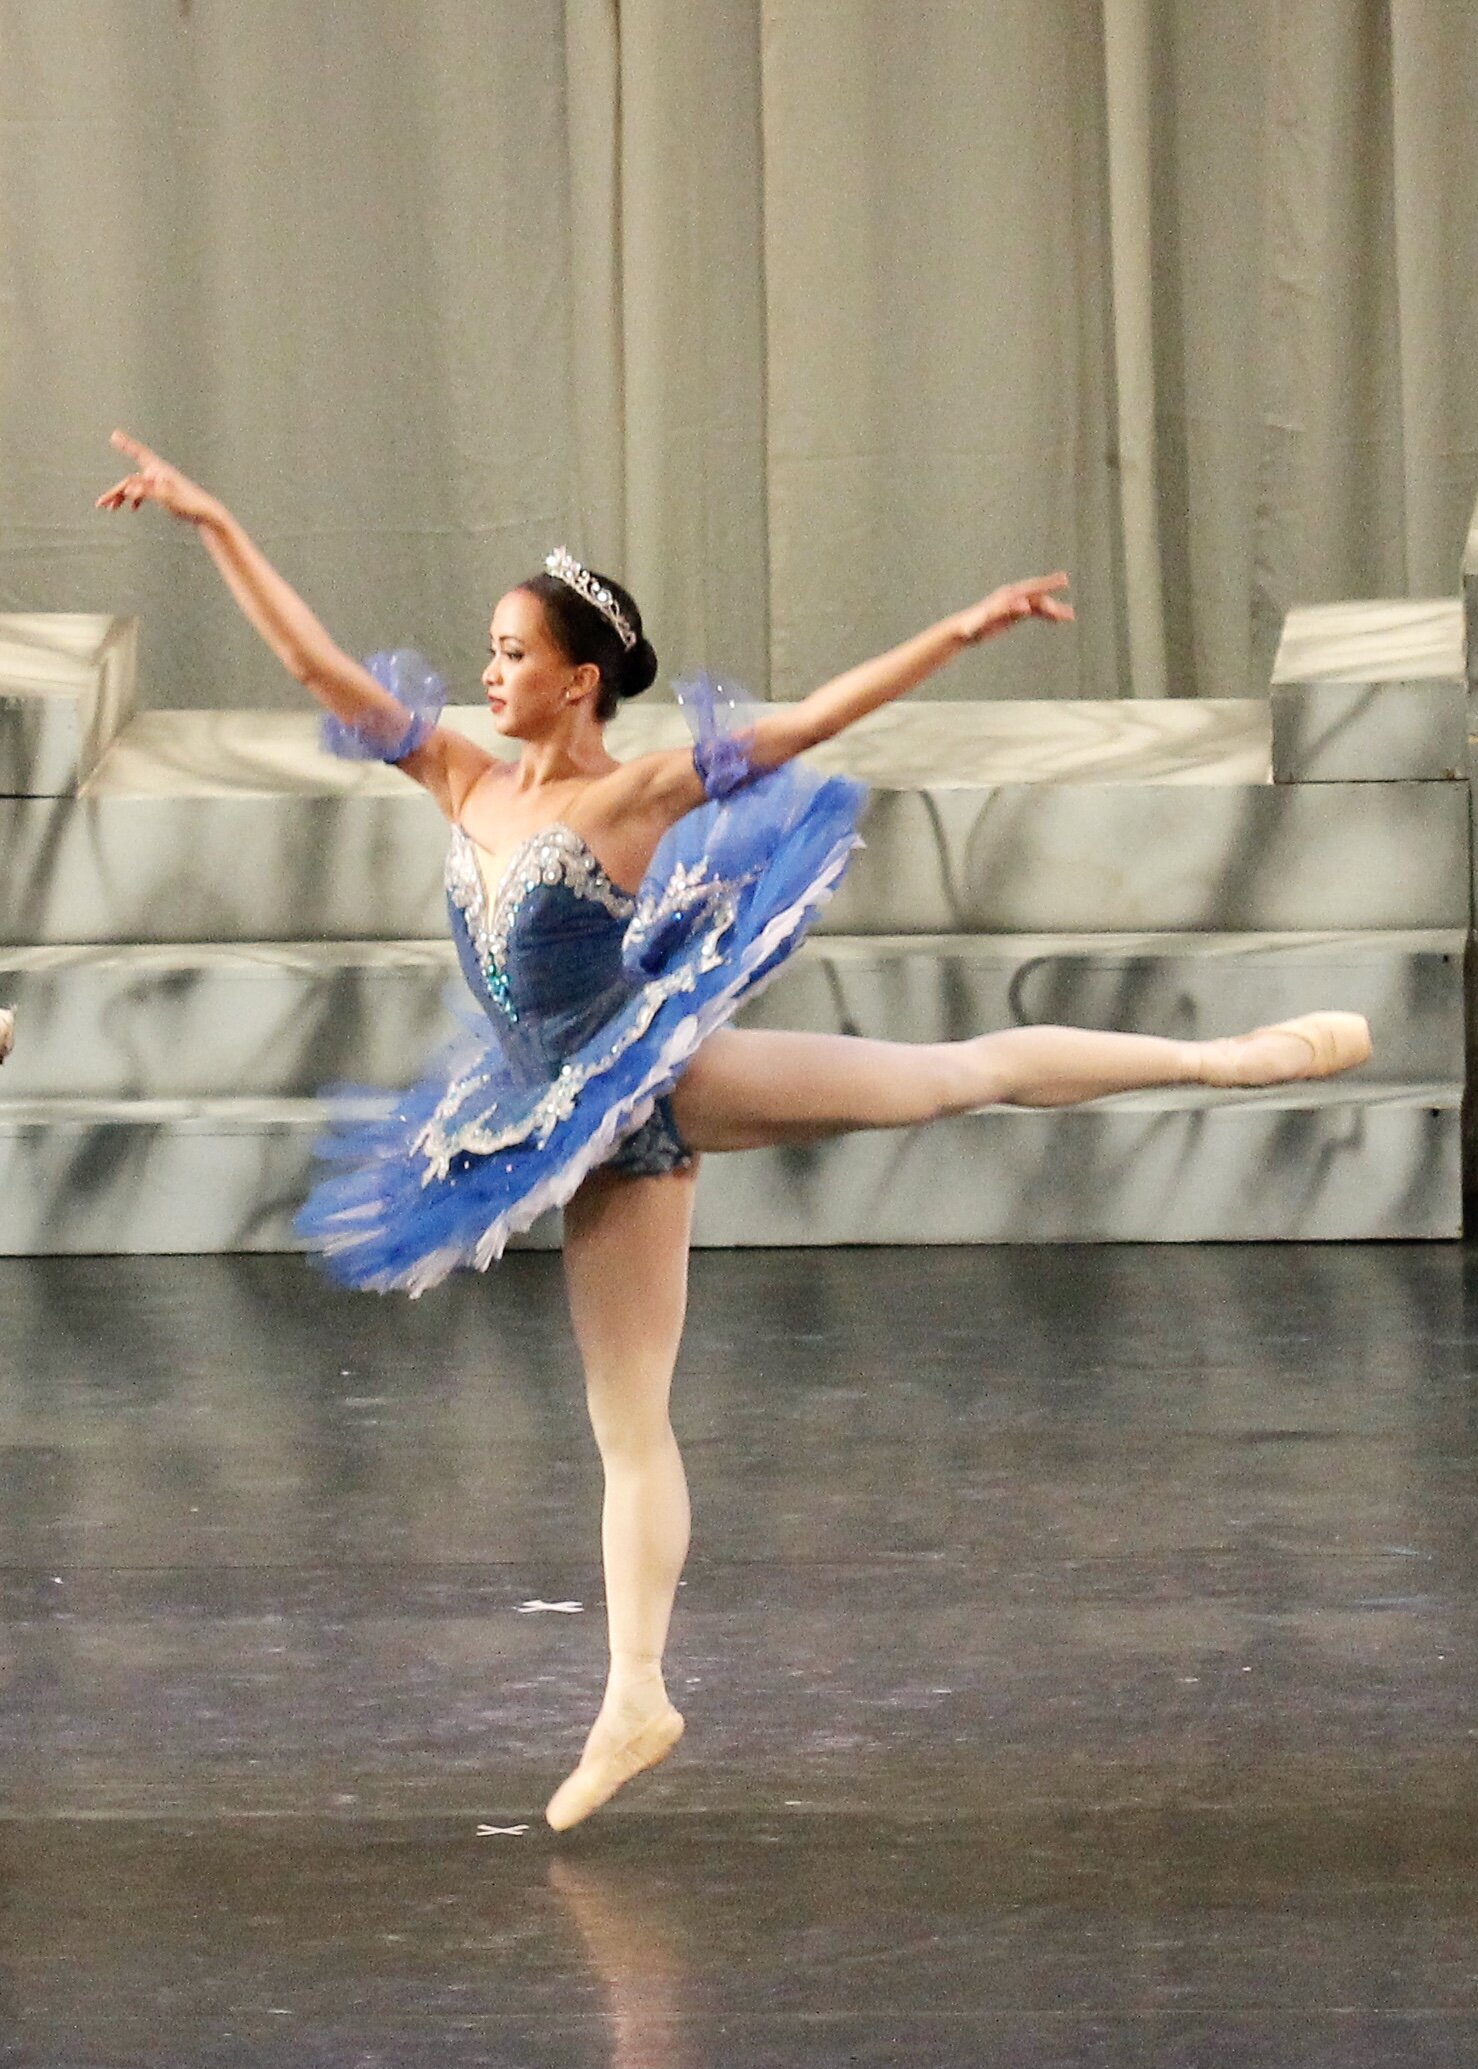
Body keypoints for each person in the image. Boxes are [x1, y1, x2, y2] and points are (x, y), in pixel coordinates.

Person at [97, 429, 1371, 1829]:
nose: (489, 671)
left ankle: (1222, 1058)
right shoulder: (460, 777)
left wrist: (955, 629)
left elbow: (806, 724)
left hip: (645, 1081)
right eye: (489, 649)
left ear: (580, 679)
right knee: (627, 1419)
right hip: (551, 1102)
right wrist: (210, 517)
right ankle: (635, 1693)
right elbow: (314, 669)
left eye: (513, 652)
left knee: (943, 1079)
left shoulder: (630, 796)